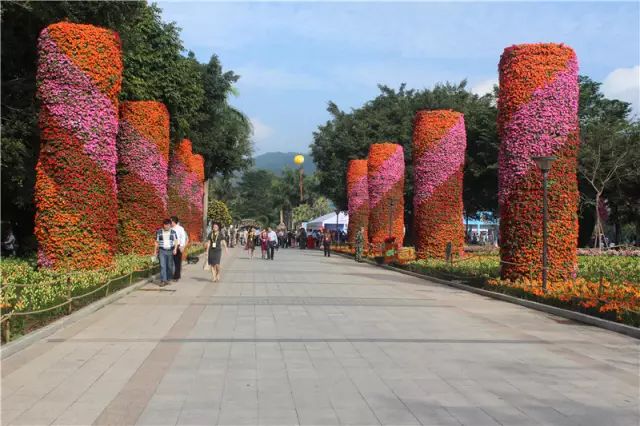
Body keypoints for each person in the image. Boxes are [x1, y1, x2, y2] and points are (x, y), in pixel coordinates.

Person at [155, 219, 178, 287]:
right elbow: (156, 242)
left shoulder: (173, 232)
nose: (166, 226)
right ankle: (163, 280)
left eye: (168, 225)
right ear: (163, 225)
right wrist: (155, 251)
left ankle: (167, 279)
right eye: (165, 225)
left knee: (170, 266)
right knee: (162, 266)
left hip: (170, 251)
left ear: (170, 225)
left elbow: (176, 241)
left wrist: (175, 249)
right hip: (162, 251)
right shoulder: (159, 232)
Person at [170, 216, 188, 282]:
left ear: (174, 221)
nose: (170, 222)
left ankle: (176, 276)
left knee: (177, 262)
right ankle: (171, 274)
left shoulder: (180, 228)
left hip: (178, 246)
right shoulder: (170, 228)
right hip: (170, 246)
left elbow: (183, 237)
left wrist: (182, 246)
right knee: (170, 262)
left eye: (171, 221)